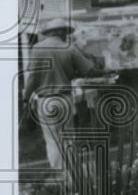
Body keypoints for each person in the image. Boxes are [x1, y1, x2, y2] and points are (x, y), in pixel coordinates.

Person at [22, 16, 104, 170]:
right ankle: (73, 175)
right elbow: (88, 70)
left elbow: (33, 77)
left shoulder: (37, 49)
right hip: (65, 98)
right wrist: (104, 71)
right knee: (69, 138)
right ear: (61, 32)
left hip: (45, 100)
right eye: (65, 32)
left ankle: (60, 175)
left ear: (49, 32)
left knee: (52, 139)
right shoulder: (69, 48)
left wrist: (26, 99)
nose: (66, 35)